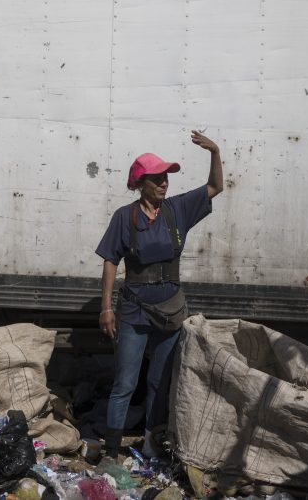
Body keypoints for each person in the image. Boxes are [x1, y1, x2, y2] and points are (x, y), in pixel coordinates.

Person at [94, 130, 223, 460]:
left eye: (166, 178)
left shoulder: (178, 209)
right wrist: (106, 307)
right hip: (134, 313)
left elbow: (215, 188)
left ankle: (152, 444)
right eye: (157, 179)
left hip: (171, 312)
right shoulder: (125, 217)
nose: (164, 183)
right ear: (141, 183)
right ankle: (111, 452)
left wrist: (214, 153)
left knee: (159, 383)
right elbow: (111, 260)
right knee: (125, 383)